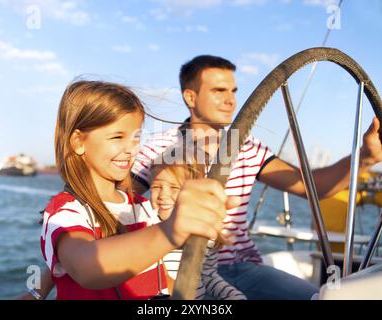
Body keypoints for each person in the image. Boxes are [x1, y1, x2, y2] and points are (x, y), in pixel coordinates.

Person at [131, 55, 382, 299]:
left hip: (242, 267)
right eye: (219, 91)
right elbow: (115, 203)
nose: (230, 100)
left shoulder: (248, 147)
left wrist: (366, 155)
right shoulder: (157, 148)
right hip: (178, 269)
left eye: (233, 91)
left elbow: (313, 187)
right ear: (190, 96)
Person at [40, 79, 237, 299]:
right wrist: (170, 231)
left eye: (136, 137)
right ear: (78, 142)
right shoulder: (65, 211)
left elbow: (162, 274)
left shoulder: (144, 207)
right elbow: (85, 267)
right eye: (117, 137)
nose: (131, 149)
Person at [149, 146, 246, 300]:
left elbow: (208, 276)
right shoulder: (145, 227)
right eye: (156, 187)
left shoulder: (206, 233)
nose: (163, 195)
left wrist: (233, 296)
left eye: (174, 187)